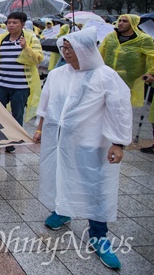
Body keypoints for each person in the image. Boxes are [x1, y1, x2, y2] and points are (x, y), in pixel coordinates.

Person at [33, 27, 131, 270]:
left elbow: (119, 110)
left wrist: (118, 143)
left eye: (70, 48)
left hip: (92, 144)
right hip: (61, 142)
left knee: (95, 188)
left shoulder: (106, 76)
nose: (65, 53)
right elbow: (46, 102)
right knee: (61, 176)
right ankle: (63, 210)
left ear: (86, 50)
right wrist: (40, 127)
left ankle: (99, 235)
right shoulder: (57, 75)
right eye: (63, 48)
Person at [0, 11, 44, 153]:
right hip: (1, 84)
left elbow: (38, 58)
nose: (11, 25)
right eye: (9, 22)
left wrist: (26, 48)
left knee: (17, 114)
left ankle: (13, 140)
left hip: (20, 86)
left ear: (22, 24)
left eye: (15, 22)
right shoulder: (2, 38)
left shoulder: (30, 38)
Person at [98, 14, 154, 153]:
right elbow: (100, 54)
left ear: (133, 24)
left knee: (121, 111)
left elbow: (153, 56)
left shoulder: (143, 39)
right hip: (107, 79)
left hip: (129, 81)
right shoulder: (111, 37)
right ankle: (102, 134)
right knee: (103, 107)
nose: (121, 23)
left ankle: (119, 139)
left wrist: (151, 73)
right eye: (120, 21)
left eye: (125, 21)